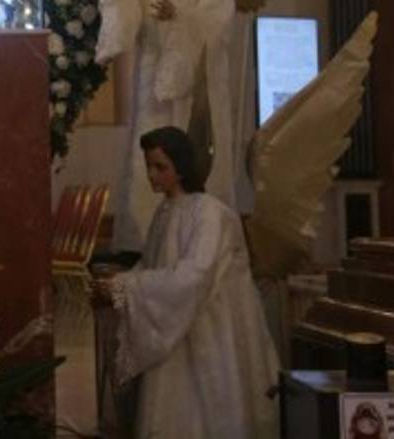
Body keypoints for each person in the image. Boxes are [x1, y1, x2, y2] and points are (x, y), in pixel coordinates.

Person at [94, 126, 279, 439]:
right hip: (173, 323)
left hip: (209, 329)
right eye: (149, 165)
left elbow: (196, 275)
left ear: (180, 166)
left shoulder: (209, 213)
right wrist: (119, 283)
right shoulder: (165, 212)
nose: (151, 174)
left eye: (160, 166)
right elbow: (151, 264)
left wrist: (127, 286)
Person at [96, 0, 236, 252]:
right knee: (152, 148)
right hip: (154, 80)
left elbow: (220, 20)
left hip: (197, 86)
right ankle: (146, 243)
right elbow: (128, 8)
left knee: (194, 150)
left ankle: (202, 246)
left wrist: (182, 18)